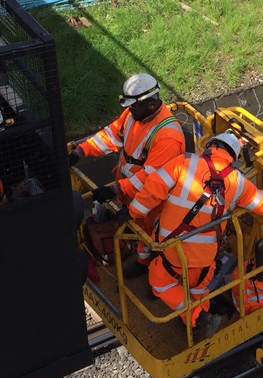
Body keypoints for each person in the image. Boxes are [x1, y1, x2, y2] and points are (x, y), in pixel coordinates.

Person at [127, 132, 263, 340]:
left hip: (172, 250)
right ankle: (198, 318)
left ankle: (193, 314)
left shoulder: (185, 162)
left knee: (159, 281)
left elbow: (154, 188)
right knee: (199, 289)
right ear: (233, 156)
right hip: (205, 258)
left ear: (211, 145)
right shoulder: (238, 182)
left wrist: (133, 212)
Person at [69, 73, 186, 278]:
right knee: (141, 227)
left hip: (154, 199)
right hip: (130, 190)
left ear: (150, 104)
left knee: (155, 233)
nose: (129, 110)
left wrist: (116, 189)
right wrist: (80, 152)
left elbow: (152, 177)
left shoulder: (168, 136)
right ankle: (143, 261)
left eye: (134, 106)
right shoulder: (133, 115)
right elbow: (111, 136)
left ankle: (158, 273)